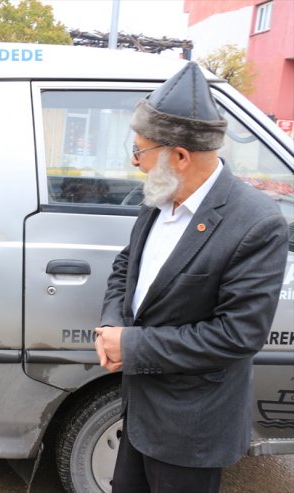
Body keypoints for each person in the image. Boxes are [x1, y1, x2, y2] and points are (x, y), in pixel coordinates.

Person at [94, 61, 289, 492]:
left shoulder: (255, 222)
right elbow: (127, 265)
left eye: (141, 151)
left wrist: (132, 345)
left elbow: (237, 335)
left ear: (179, 157)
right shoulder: (160, 196)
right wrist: (112, 324)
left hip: (192, 428)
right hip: (141, 411)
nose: (136, 161)